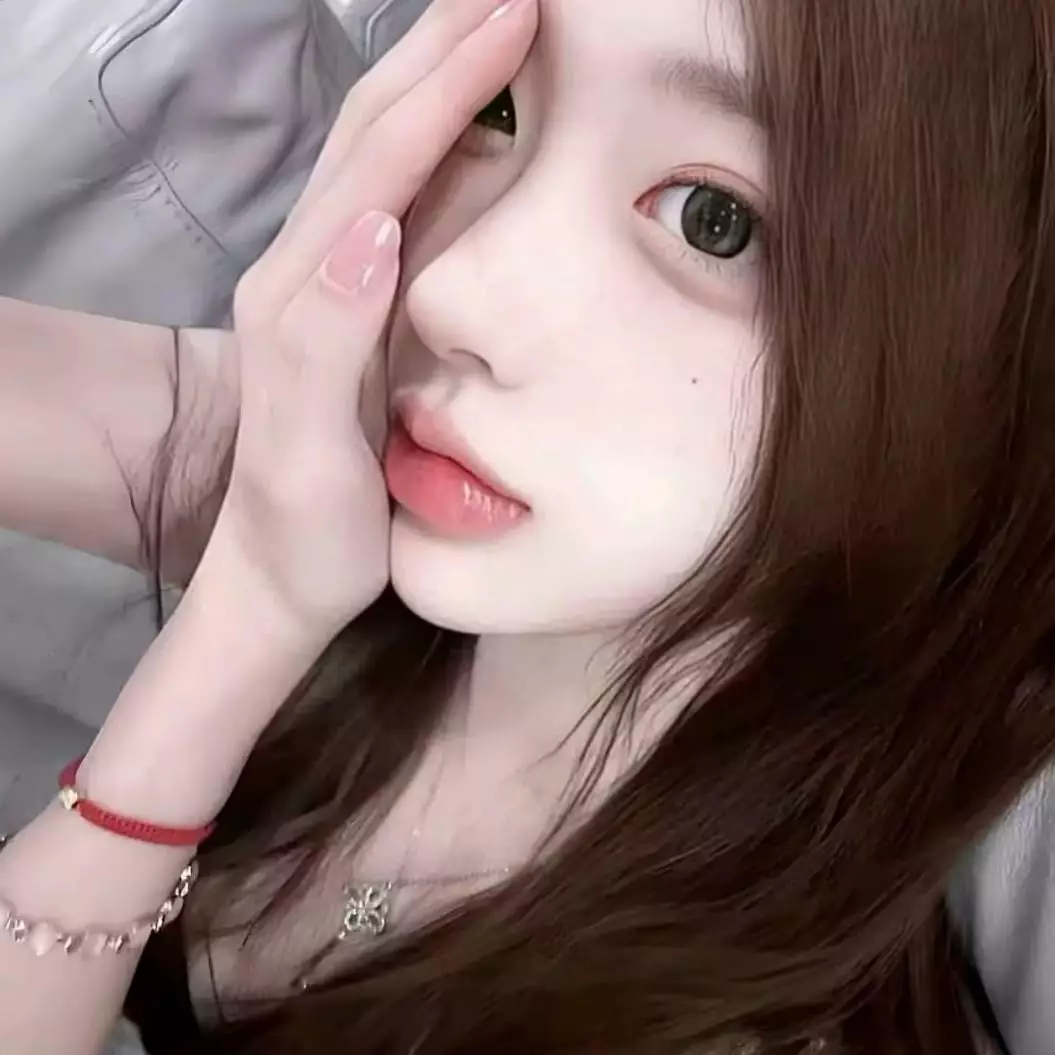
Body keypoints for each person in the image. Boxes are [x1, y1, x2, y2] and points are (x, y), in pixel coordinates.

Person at [0, 0, 1052, 1052]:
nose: (453, 292)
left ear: (978, 354)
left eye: (710, 220)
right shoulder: (350, 489)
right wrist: (254, 593)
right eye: (493, 110)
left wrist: (233, 632)